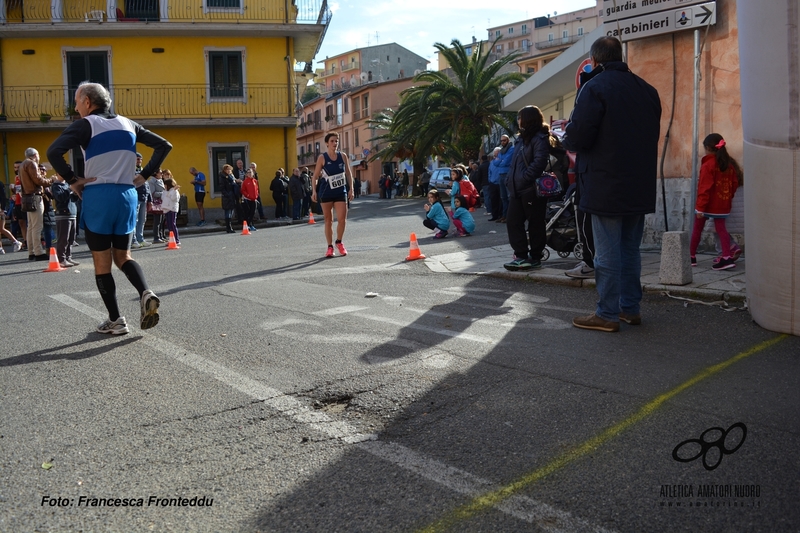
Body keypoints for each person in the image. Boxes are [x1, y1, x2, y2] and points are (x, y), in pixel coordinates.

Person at [47, 81, 172, 335]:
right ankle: (145, 292)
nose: (75, 106)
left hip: (98, 196)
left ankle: (116, 319)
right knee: (123, 256)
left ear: (88, 102)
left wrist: (73, 180)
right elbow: (164, 145)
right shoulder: (129, 123)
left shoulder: (85, 125)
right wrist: (145, 174)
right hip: (127, 195)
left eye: (77, 101)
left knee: (102, 262)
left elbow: (53, 152)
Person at [563, 36, 662, 333]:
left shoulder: (595, 88)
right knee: (630, 250)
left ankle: (606, 313)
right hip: (639, 183)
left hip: (605, 182)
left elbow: (578, 136)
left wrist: (567, 137)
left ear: (595, 61)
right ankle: (630, 308)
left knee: (606, 252)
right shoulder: (648, 90)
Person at [502, 106, 553, 271]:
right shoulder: (520, 139)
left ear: (528, 119)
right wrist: (510, 180)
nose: (517, 121)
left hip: (531, 189)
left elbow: (539, 162)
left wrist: (524, 179)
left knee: (535, 224)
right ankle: (521, 255)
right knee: (513, 221)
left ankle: (535, 257)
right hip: (517, 189)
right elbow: (514, 164)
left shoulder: (539, 138)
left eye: (520, 117)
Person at [690, 133, 743, 271]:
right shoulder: (729, 165)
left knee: (697, 228)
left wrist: (700, 207)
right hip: (723, 204)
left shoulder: (708, 165)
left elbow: (704, 187)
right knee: (721, 229)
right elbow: (734, 183)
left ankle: (691, 256)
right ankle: (726, 257)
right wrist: (727, 197)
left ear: (708, 148)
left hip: (707, 204)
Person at [311, 132, 354, 257]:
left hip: (341, 191)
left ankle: (339, 242)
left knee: (342, 220)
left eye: (337, 141)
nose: (335, 143)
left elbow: (348, 173)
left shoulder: (343, 156)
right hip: (326, 192)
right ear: (327, 143)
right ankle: (330, 247)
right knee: (328, 220)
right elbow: (315, 176)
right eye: (332, 141)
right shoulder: (322, 158)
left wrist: (351, 188)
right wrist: (314, 191)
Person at [19, 148, 53, 261]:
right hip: (35, 196)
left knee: (31, 227)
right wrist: (50, 180)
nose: (39, 157)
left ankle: (31, 252)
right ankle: (38, 252)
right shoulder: (32, 163)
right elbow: (38, 180)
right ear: (35, 155)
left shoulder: (22, 165)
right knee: (37, 226)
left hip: (27, 197)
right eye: (38, 155)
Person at [51, 172, 79, 267]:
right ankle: (61, 259)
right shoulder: (56, 186)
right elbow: (60, 197)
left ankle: (68, 257)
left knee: (71, 238)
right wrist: (70, 190)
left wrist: (75, 193)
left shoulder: (67, 185)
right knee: (64, 238)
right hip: (63, 214)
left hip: (72, 213)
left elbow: (74, 199)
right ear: (57, 174)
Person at [495, 134, 515, 222]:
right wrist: (500, 161)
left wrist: (500, 161)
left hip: (508, 174)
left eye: (504, 140)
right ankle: (504, 215)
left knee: (509, 196)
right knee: (503, 197)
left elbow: (505, 162)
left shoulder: (512, 149)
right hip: (501, 175)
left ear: (508, 140)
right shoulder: (501, 151)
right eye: (501, 141)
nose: (503, 142)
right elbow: (496, 163)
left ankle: (510, 216)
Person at [161, 174, 181, 246]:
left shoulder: (175, 191)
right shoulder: (165, 191)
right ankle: (171, 239)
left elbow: (174, 199)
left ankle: (176, 239)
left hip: (172, 209)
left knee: (172, 224)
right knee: (169, 225)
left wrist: (174, 191)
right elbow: (163, 198)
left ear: (169, 185)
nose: (164, 186)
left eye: (165, 185)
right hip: (166, 209)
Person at [147, 169, 166, 243]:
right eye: (160, 173)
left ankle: (161, 235)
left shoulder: (161, 181)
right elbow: (152, 193)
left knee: (161, 220)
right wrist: (163, 193)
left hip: (161, 202)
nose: (162, 174)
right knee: (157, 221)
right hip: (156, 203)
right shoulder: (152, 181)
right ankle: (156, 237)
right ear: (156, 174)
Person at [218, 164, 239, 233]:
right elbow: (222, 188)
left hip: (232, 196)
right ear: (224, 170)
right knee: (228, 212)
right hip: (227, 197)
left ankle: (230, 227)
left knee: (231, 212)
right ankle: (228, 227)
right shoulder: (223, 177)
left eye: (230, 169)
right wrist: (227, 195)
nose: (229, 171)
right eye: (228, 169)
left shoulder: (231, 177)